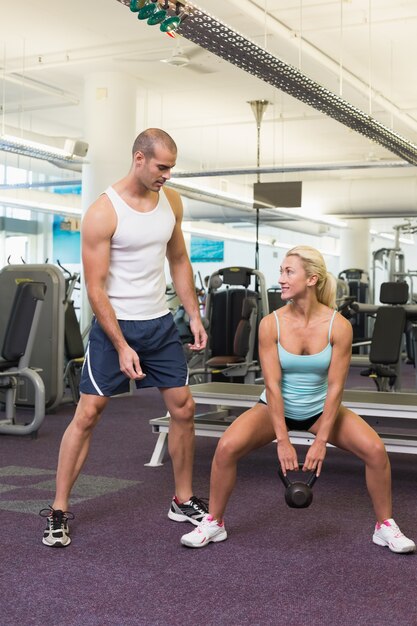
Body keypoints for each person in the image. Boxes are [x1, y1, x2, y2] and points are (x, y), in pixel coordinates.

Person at [180, 245, 416, 554]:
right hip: (275, 407)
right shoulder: (271, 324)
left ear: (312, 279)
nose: (282, 279)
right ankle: (215, 522)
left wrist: (322, 440)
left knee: (374, 450)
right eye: (281, 271)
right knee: (226, 448)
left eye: (289, 272)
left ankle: (384, 526)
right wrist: (282, 439)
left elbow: (335, 388)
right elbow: (274, 386)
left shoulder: (338, 326)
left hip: (320, 409)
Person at [40, 128, 208, 547]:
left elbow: (179, 258)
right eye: (162, 166)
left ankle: (182, 498)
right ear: (139, 158)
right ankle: (59, 509)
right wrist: (120, 344)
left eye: (172, 167)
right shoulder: (104, 211)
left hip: (159, 324)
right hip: (116, 325)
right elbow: (95, 289)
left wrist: (193, 313)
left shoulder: (171, 201)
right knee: (89, 413)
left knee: (183, 408)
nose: (167, 175)